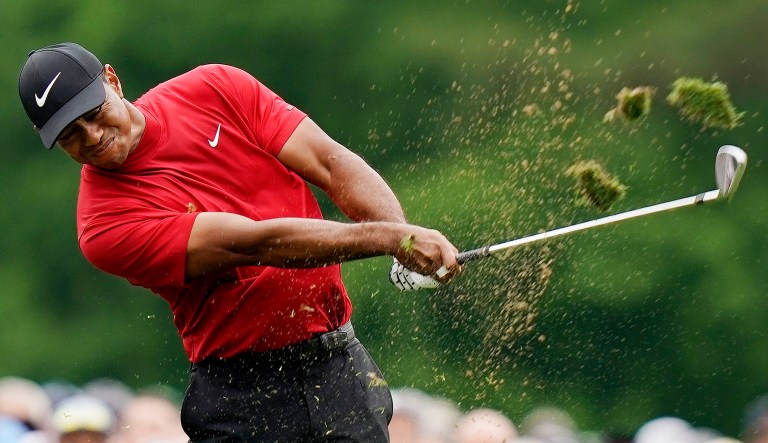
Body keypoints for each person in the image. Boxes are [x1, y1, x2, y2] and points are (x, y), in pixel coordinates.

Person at [18, 42, 461, 442]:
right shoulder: (103, 225)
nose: (91, 137)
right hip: (241, 401)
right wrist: (392, 239)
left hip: (338, 368)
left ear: (112, 81)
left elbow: (329, 162)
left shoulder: (214, 88)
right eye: (69, 135)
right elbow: (257, 243)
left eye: (94, 114)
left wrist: (401, 235)